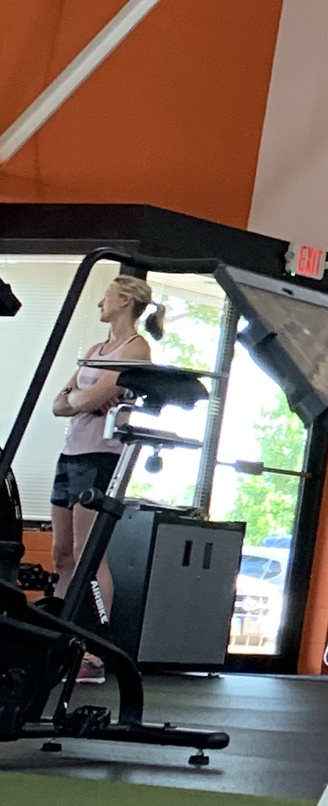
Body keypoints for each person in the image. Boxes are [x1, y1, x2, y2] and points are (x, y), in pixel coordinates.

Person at [50, 263, 162, 640]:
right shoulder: (97, 349)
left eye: (106, 296)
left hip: (101, 456)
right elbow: (58, 403)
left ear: (124, 300)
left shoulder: (137, 348)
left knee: (88, 554)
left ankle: (94, 647)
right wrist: (81, 400)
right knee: (62, 554)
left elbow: (91, 398)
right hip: (71, 452)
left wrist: (80, 399)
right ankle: (58, 638)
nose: (100, 302)